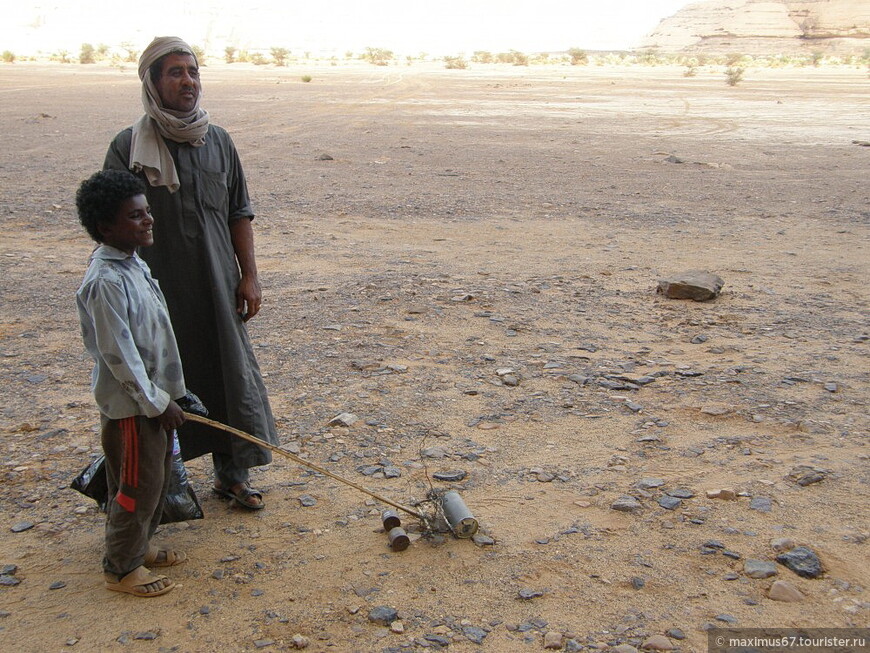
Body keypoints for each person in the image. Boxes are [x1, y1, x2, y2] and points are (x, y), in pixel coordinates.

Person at [103, 36, 278, 510]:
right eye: (175, 72)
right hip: (156, 290)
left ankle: (232, 475)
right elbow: (108, 220)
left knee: (227, 374)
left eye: (193, 71)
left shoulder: (218, 140)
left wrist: (250, 275)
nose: (188, 81)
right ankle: (156, 489)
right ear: (153, 82)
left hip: (218, 283)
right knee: (158, 383)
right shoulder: (129, 147)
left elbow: (238, 211)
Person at [75, 169, 188, 597]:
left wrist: (172, 394)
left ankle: (140, 546)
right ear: (106, 227)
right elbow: (119, 356)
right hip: (133, 407)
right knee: (135, 487)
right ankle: (121, 569)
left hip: (153, 401)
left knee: (156, 479)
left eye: (147, 212)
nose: (149, 220)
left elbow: (154, 337)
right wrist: (157, 403)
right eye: (136, 216)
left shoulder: (132, 264)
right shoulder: (105, 281)